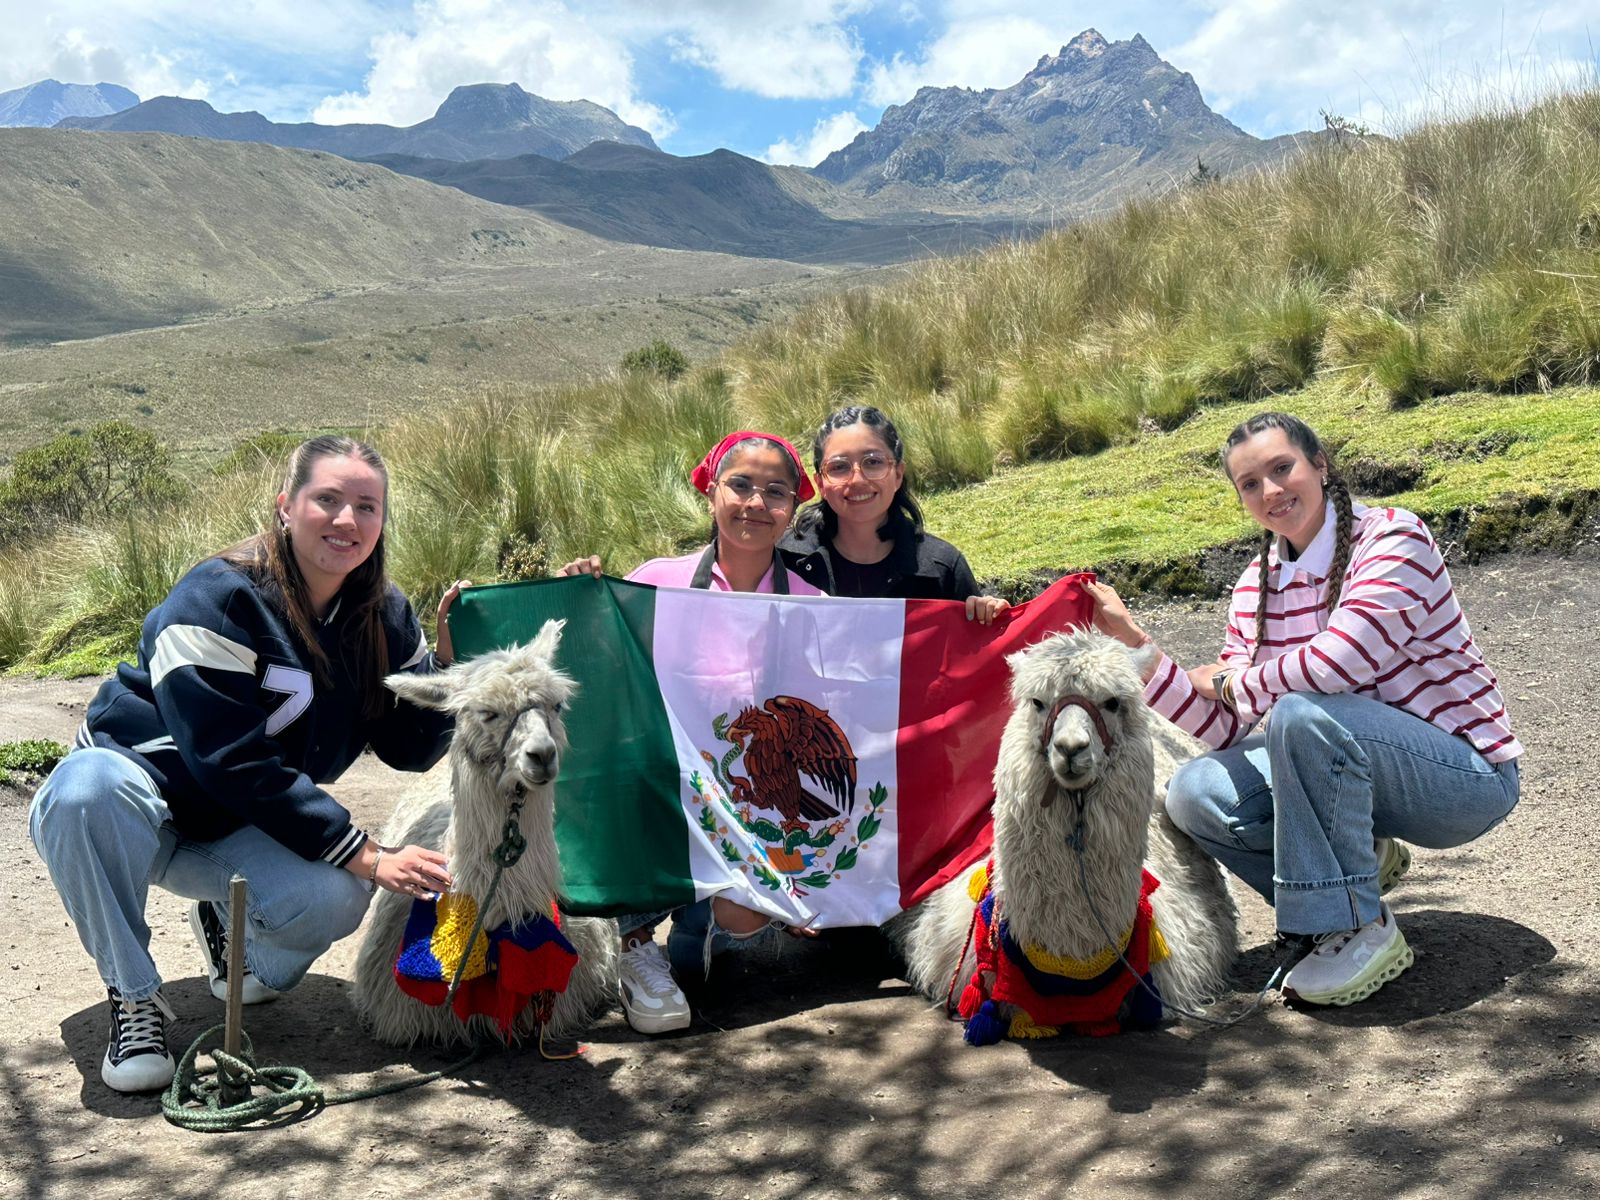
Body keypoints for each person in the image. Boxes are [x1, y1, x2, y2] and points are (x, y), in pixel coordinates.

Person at [29, 436, 464, 1093]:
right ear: (286, 507)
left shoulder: (385, 616)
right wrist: (367, 851)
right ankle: (134, 997)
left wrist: (447, 670)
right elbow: (228, 756)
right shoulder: (219, 594)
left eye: (366, 506)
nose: (347, 519)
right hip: (136, 805)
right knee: (83, 790)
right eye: (327, 499)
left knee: (338, 896)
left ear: (381, 521)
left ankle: (228, 932)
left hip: (232, 822)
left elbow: (411, 749)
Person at [1086, 411, 1522, 1007]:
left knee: (1299, 712)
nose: (1270, 491)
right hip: (1355, 769)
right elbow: (1223, 726)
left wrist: (1233, 680)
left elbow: (1340, 665)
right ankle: (1346, 886)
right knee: (1195, 792)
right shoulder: (1255, 586)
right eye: (1249, 483)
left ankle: (1356, 926)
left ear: (1319, 465)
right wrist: (1135, 643)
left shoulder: (1395, 538)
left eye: (1281, 468)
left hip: (1463, 779)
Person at [556, 429, 824, 1035]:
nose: (756, 503)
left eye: (775, 492)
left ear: (793, 507)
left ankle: (705, 933)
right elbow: (595, 675)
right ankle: (634, 945)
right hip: (663, 788)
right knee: (619, 764)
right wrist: (581, 595)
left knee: (738, 921)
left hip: (749, 798)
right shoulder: (656, 582)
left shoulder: (815, 605)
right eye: (741, 485)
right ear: (711, 493)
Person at [780, 404, 1008, 622]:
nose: (857, 479)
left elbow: (973, 646)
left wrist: (990, 617)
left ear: (898, 474)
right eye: (839, 467)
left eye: (873, 462)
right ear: (821, 483)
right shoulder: (785, 560)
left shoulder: (944, 568)